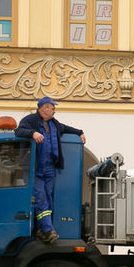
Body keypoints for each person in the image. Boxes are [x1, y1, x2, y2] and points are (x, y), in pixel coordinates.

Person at [15, 97, 84, 242]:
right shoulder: (30, 120)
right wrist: (32, 134)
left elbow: (66, 128)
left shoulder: (54, 124)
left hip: (49, 168)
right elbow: (19, 131)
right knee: (41, 199)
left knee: (48, 198)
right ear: (43, 108)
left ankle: (42, 229)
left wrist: (80, 132)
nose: (54, 110)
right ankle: (47, 229)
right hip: (35, 168)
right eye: (52, 107)